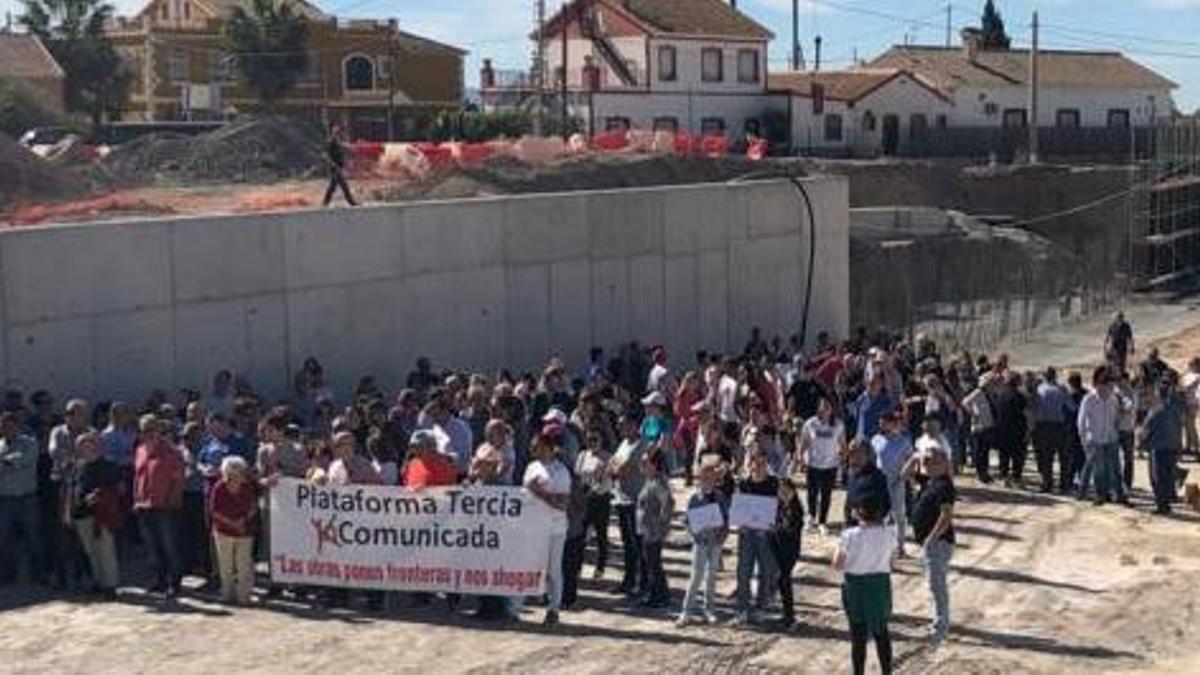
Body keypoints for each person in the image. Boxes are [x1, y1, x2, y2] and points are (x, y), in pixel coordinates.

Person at [833, 498, 895, 675]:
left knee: (858, 636)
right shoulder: (889, 534)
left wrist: (837, 548)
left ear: (859, 513)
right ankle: (887, 672)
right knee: (881, 633)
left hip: (856, 587)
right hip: (879, 586)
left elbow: (837, 564)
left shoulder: (849, 535)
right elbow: (892, 564)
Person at [132, 415, 185, 599]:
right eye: (144, 430)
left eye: (151, 429)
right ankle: (159, 580)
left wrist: (172, 501)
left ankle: (175, 582)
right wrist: (135, 499)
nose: (148, 433)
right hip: (144, 505)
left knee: (169, 545)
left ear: (159, 429)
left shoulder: (172, 451)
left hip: (165, 506)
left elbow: (178, 479)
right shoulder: (139, 450)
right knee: (152, 546)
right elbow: (137, 477)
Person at [523, 428, 572, 626]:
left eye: (539, 447)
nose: (535, 450)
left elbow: (563, 503)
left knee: (553, 569)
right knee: (533, 565)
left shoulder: (561, 471)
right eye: (534, 447)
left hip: (554, 526)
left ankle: (554, 608)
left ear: (550, 449)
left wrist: (540, 493)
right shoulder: (532, 467)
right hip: (534, 524)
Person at [68, 432, 123, 599]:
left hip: (102, 515)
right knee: (90, 551)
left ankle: (110, 585)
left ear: (95, 446)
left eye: (87, 444)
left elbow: (120, 489)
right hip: (81, 514)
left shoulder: (109, 465)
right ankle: (99, 582)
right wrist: (68, 512)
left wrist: (101, 495)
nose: (84, 448)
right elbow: (71, 490)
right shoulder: (77, 466)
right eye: (80, 446)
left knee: (105, 550)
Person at [909, 450, 956, 646]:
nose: (928, 464)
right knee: (934, 584)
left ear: (945, 464)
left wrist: (931, 538)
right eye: (926, 462)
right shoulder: (930, 481)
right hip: (931, 542)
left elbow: (946, 516)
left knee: (937, 585)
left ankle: (941, 624)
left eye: (933, 461)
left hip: (938, 542)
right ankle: (939, 620)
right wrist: (915, 458)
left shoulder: (944, 486)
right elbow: (906, 475)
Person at [677, 457, 726, 626]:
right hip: (700, 542)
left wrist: (722, 537)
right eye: (704, 476)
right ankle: (686, 611)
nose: (707, 479)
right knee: (696, 576)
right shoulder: (694, 498)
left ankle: (709, 609)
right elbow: (687, 520)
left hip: (716, 542)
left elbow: (725, 519)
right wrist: (694, 533)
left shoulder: (719, 496)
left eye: (711, 476)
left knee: (711, 576)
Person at [732, 448, 779, 626]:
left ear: (767, 465)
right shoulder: (743, 484)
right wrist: (739, 523)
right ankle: (742, 609)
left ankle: (760, 608)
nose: (759, 467)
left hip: (766, 535)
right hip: (747, 533)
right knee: (744, 572)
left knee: (765, 572)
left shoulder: (774, 484)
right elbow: (738, 509)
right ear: (750, 464)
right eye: (756, 464)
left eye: (762, 464)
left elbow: (779, 509)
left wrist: (773, 525)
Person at [0, 411, 44, 585]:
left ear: (17, 426)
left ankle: (38, 575)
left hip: (27, 499)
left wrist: (6, 462)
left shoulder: (30, 443)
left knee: (33, 539)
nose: (7, 428)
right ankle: (8, 575)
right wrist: (9, 461)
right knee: (4, 540)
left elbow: (25, 459)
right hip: (4, 500)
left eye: (10, 425)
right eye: (3, 426)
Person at [209, 456, 257, 605]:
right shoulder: (219, 487)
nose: (238, 476)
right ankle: (226, 594)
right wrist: (232, 523)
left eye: (240, 472)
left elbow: (253, 507)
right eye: (234, 473)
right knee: (225, 566)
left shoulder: (247, 487)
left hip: (245, 531)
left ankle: (244, 596)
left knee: (244, 566)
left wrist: (243, 520)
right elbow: (214, 511)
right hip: (223, 531)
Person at [795, 395, 844, 536]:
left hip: (830, 465)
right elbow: (804, 441)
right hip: (813, 463)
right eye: (822, 406)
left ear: (831, 409)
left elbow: (842, 443)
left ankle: (822, 521)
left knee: (826, 495)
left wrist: (843, 459)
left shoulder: (838, 424)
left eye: (827, 406)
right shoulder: (811, 423)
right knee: (812, 493)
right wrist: (799, 456)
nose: (824, 409)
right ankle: (810, 518)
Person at [1077, 367, 1125, 505]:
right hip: (1096, 439)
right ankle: (1100, 495)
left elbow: (1118, 416)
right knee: (1099, 470)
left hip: (1111, 438)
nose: (1110, 389)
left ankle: (1118, 494)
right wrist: (1085, 440)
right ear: (1099, 385)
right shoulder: (1089, 399)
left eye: (1111, 386)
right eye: (1107, 386)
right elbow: (1081, 421)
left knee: (1116, 469)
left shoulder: (1114, 399)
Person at [610, 414, 646, 597]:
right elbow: (612, 465)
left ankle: (643, 583)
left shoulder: (641, 445)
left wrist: (616, 468)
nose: (619, 428)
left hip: (635, 499)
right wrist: (616, 468)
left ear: (633, 425)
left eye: (622, 425)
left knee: (638, 544)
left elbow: (623, 468)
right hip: (621, 498)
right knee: (627, 543)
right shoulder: (624, 443)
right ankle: (629, 579)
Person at [1140, 374, 1185, 515]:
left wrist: (1141, 443)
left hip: (1158, 448)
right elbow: (1180, 426)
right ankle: (1167, 501)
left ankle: (1162, 506)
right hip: (1172, 446)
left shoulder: (1157, 409)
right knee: (1168, 476)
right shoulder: (1176, 408)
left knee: (1157, 478)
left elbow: (1147, 429)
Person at [636, 450, 673, 609]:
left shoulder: (658, 483)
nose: (642, 466)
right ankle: (657, 594)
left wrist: (661, 525)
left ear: (655, 465)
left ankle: (660, 596)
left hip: (653, 531)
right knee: (651, 563)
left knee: (653, 564)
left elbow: (669, 504)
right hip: (647, 529)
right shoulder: (650, 480)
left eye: (646, 463)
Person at [872, 412, 913, 557]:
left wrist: (907, 475)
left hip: (897, 480)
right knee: (880, 514)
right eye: (880, 423)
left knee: (899, 514)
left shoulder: (904, 441)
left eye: (884, 422)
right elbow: (872, 459)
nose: (881, 425)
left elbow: (911, 460)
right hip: (880, 482)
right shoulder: (876, 439)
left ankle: (900, 546)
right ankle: (881, 547)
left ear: (893, 423)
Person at [575, 429, 612, 579]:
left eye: (595, 439)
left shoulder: (608, 457)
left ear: (601, 440)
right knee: (580, 535)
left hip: (601, 499)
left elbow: (607, 481)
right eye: (589, 439)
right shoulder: (582, 455)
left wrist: (596, 490)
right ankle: (577, 567)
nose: (592, 443)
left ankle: (600, 568)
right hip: (584, 500)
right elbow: (577, 474)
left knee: (601, 535)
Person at [1032, 368, 1072, 493]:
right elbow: (1071, 406)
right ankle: (1064, 485)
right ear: (1055, 376)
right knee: (1063, 457)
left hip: (1043, 426)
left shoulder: (1039, 389)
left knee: (1046, 457)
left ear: (1045, 377)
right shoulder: (1062, 389)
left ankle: (1047, 484)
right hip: (1059, 425)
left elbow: (1034, 408)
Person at [772, 478, 805, 629]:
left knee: (784, 580)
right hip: (778, 548)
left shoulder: (796, 509)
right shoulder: (778, 507)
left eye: (787, 491)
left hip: (790, 551)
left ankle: (789, 617)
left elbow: (790, 531)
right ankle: (787, 614)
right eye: (781, 492)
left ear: (793, 492)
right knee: (781, 581)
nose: (784, 495)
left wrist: (774, 529)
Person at [322, 122, 358, 207]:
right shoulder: (330, 141)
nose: (337, 130)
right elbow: (325, 155)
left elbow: (342, 146)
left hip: (338, 167)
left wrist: (350, 147)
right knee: (343, 185)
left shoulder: (337, 140)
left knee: (333, 186)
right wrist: (333, 165)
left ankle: (325, 203)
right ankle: (351, 202)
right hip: (335, 167)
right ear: (332, 130)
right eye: (335, 129)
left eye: (338, 129)